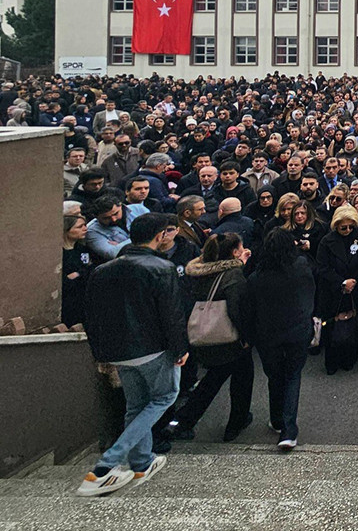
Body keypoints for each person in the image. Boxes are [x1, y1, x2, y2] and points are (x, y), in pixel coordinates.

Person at [78, 213, 186, 497]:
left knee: (136, 406)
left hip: (117, 351)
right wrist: (181, 348)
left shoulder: (102, 270)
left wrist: (100, 351)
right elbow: (172, 315)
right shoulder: (162, 268)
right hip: (152, 348)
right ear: (161, 235)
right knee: (164, 397)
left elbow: (90, 314)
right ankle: (105, 467)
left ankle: (142, 461)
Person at [170, 233, 255, 442]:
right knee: (242, 380)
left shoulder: (198, 271)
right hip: (228, 337)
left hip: (204, 332)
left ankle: (184, 420)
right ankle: (236, 423)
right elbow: (237, 310)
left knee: (212, 379)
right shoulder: (233, 275)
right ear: (234, 252)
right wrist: (247, 336)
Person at [246, 229, 315, 451]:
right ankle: (288, 429)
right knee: (293, 376)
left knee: (274, 376)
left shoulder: (257, 277)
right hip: (297, 329)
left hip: (268, 334)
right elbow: (311, 291)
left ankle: (277, 418)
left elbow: (251, 309)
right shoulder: (300, 266)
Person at [315, 205, 358, 374]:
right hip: (333, 289)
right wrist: (342, 282)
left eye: (350, 227)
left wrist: (354, 281)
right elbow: (322, 268)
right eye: (343, 227)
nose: (347, 230)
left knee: (351, 326)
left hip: (355, 289)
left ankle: (349, 360)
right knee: (333, 327)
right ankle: (332, 362)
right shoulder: (327, 241)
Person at [62, 213, 95, 328]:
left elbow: (90, 269)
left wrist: (78, 274)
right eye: (79, 227)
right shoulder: (59, 253)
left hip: (84, 296)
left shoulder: (83, 250)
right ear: (66, 230)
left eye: (85, 225)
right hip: (68, 301)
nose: (85, 229)